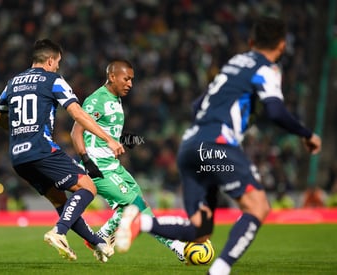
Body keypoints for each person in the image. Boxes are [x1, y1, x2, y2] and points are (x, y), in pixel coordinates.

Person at [115, 16, 322, 275]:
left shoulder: (233, 64)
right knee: (258, 207)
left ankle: (141, 222)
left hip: (190, 144)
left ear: (251, 41)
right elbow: (276, 111)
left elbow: (196, 106)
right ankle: (219, 271)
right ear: (281, 46)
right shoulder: (266, 69)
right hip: (218, 144)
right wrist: (306, 135)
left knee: (199, 230)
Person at [0, 39, 125, 262]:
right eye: (58, 63)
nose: (58, 67)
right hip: (41, 149)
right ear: (51, 60)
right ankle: (59, 233)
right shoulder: (53, 79)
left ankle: (97, 242)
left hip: (18, 156)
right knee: (87, 187)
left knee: (61, 202)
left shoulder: (12, 83)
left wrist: (19, 130)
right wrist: (108, 139)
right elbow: (78, 114)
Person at [70, 60, 186, 262]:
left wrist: (124, 140)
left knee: (136, 203)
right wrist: (86, 161)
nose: (130, 84)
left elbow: (104, 132)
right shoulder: (97, 100)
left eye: (132, 79)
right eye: (126, 79)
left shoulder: (115, 100)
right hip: (98, 167)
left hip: (113, 166)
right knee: (138, 207)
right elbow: (75, 131)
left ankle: (100, 237)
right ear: (112, 77)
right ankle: (179, 247)